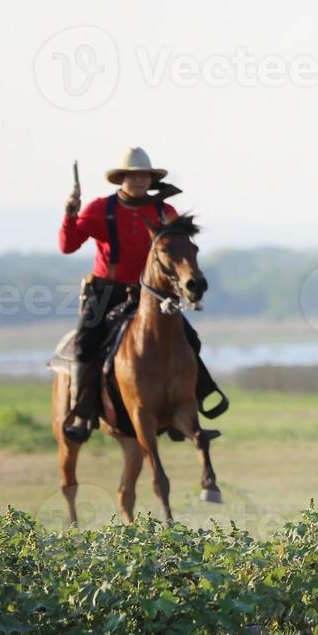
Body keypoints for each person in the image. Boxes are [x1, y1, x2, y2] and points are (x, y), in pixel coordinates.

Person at [58, 147, 227, 442]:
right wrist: (70, 216)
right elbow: (69, 245)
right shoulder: (100, 208)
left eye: (144, 176)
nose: (138, 181)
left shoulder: (165, 212)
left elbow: (180, 254)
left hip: (153, 293)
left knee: (191, 340)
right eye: (132, 176)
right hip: (106, 292)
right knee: (85, 342)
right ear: (121, 179)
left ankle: (190, 411)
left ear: (151, 179)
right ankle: (83, 412)